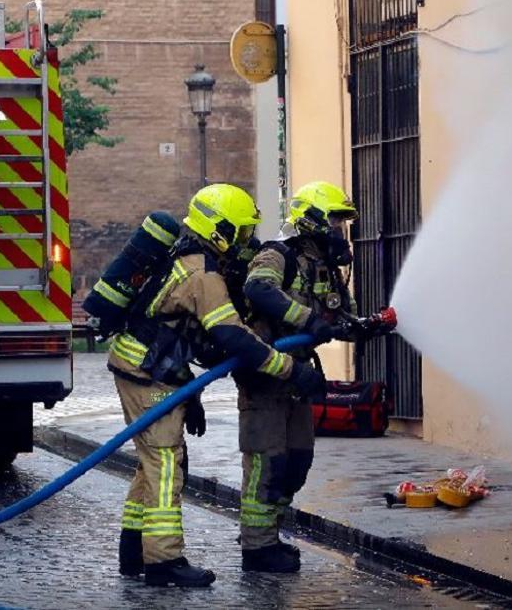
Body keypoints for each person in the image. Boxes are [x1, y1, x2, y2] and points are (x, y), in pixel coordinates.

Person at [109, 184, 326, 588]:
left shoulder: (188, 258)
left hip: (147, 366)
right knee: (166, 463)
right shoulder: (203, 274)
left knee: (151, 461)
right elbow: (233, 337)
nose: (245, 242)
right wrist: (292, 371)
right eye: (241, 232)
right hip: (147, 371)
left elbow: (181, 334)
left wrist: (188, 393)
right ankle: (163, 562)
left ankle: (133, 552)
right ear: (219, 229)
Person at [235, 181, 359, 573]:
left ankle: (271, 535)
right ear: (313, 220)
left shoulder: (324, 267)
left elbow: (340, 314)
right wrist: (306, 320)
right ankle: (257, 548)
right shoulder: (277, 254)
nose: (340, 229)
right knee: (267, 464)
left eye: (342, 221)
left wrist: (361, 326)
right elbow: (258, 290)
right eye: (335, 220)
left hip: (299, 377)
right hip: (265, 375)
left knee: (297, 462)